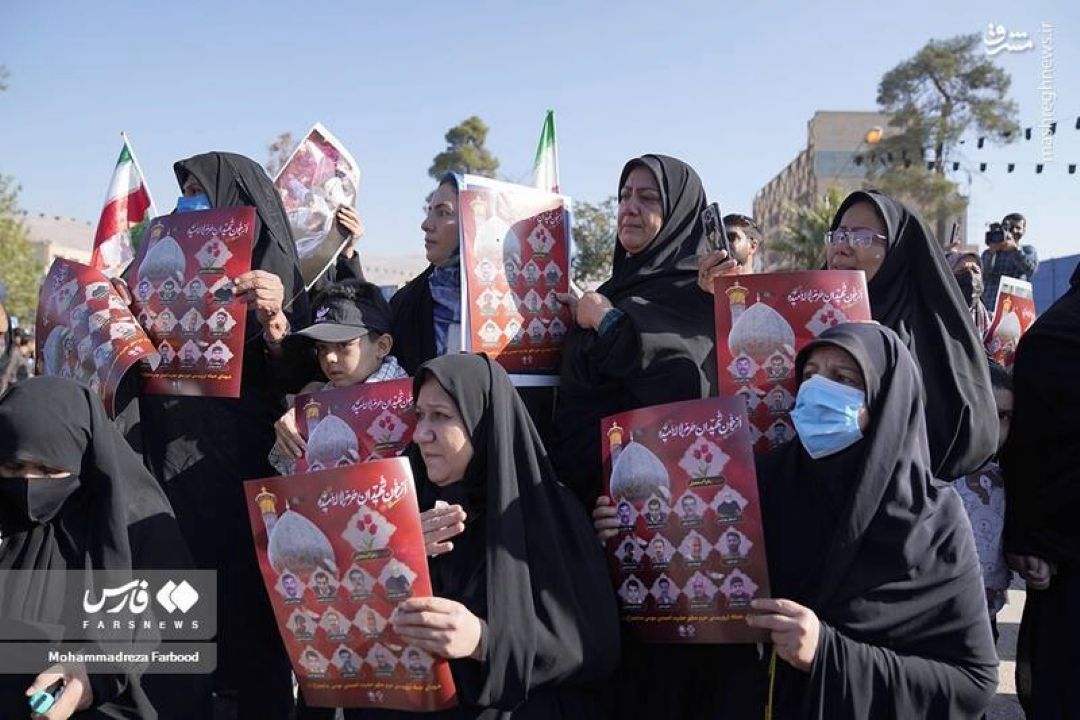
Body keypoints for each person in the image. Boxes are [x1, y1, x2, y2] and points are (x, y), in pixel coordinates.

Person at [115, 151, 309, 720]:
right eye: (184, 191)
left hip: (243, 469)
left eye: (200, 190)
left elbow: (304, 378)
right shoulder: (158, 261)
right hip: (165, 460)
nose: (188, 202)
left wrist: (276, 323)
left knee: (246, 607)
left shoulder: (277, 279)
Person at [750, 322, 998, 718]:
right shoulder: (766, 484)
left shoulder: (930, 519)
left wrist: (828, 655)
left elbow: (972, 683)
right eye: (810, 375)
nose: (818, 390)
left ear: (888, 401)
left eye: (843, 378)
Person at [356, 353, 619, 719]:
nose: (420, 434)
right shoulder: (400, 511)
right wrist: (394, 555)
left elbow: (593, 649)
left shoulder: (546, 514)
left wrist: (484, 641)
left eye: (441, 416)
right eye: (419, 415)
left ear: (483, 422)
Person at [702, 190, 996, 479]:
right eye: (838, 235)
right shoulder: (806, 321)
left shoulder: (930, 338)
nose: (842, 247)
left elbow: (962, 436)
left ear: (897, 250)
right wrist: (713, 301)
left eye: (861, 237)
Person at [0, 377, 210, 719]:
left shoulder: (140, 523)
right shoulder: (10, 519)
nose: (29, 484)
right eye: (13, 468)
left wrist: (95, 672)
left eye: (48, 470)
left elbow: (173, 636)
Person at [554, 155, 717, 502]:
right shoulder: (614, 291)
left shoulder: (699, 295)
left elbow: (682, 382)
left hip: (650, 507)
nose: (629, 208)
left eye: (648, 198)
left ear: (679, 213)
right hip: (579, 499)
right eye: (624, 196)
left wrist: (608, 323)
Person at [387, 175, 556, 446]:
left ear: (472, 223)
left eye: (443, 213)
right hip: (429, 453)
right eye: (429, 212)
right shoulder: (406, 304)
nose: (426, 224)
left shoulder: (528, 303)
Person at [1001, 261, 1080, 718]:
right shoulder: (1056, 339)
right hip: (1067, 559)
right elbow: (1029, 451)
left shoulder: (1053, 335)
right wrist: (1029, 538)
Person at [269, 279, 407, 474]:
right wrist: (290, 437)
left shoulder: (413, 401)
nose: (330, 358)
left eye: (343, 345)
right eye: (322, 348)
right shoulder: (314, 404)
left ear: (382, 346)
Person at [952, 363, 1013, 641]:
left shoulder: (1010, 473)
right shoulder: (937, 470)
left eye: (1003, 416)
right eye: (986, 412)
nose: (994, 426)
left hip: (985, 615)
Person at [981, 212, 1038, 309]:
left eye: (1018, 228)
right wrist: (992, 252)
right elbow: (983, 275)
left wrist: (1015, 250)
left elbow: (1030, 269)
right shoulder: (989, 252)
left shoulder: (1027, 250)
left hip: (1015, 306)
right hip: (989, 306)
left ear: (1024, 231)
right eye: (1010, 227)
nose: (1014, 231)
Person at [946, 249, 990, 340]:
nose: (970, 275)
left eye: (975, 270)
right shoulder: (936, 313)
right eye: (963, 270)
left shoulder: (983, 314)